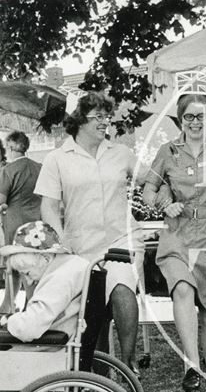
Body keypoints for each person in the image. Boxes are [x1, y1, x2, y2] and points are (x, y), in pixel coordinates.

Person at [34, 91, 145, 373]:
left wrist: (165, 196)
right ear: (79, 121)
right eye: (98, 116)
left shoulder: (121, 153)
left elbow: (152, 180)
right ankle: (102, 378)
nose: (105, 122)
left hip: (121, 240)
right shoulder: (57, 159)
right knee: (93, 312)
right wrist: (61, 237)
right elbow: (48, 206)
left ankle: (127, 364)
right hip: (80, 246)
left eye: (107, 116)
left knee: (121, 289)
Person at [142, 93, 206, 392]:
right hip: (177, 234)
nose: (195, 122)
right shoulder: (167, 151)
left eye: (200, 116)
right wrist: (164, 202)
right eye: (189, 117)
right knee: (181, 289)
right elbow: (148, 189)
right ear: (180, 119)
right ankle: (191, 364)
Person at [0, 221, 88, 342]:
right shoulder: (73, 265)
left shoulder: (60, 278)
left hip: (53, 350)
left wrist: (9, 320)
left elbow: (29, 328)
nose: (29, 282)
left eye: (27, 273)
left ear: (46, 258)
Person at [0, 131, 42, 314]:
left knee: (18, 268)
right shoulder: (39, 167)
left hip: (15, 225)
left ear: (10, 147)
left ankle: (28, 309)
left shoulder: (8, 171)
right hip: (37, 224)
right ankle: (10, 307)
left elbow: (1, 201)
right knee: (32, 269)